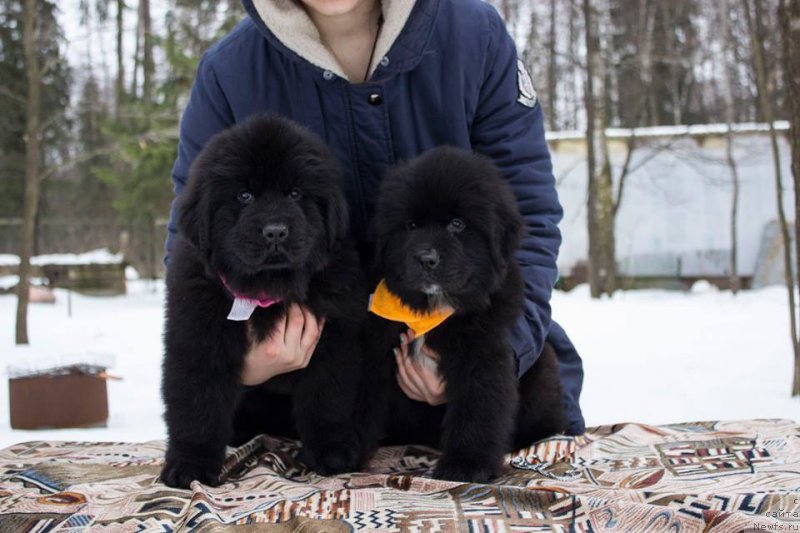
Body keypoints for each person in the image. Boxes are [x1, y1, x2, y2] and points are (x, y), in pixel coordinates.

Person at [165, 0, 586, 436]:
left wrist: (499, 352)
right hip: (297, 411)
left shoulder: (472, 35)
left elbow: (526, 218)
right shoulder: (230, 70)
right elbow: (194, 239)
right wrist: (240, 360)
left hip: (466, 395)